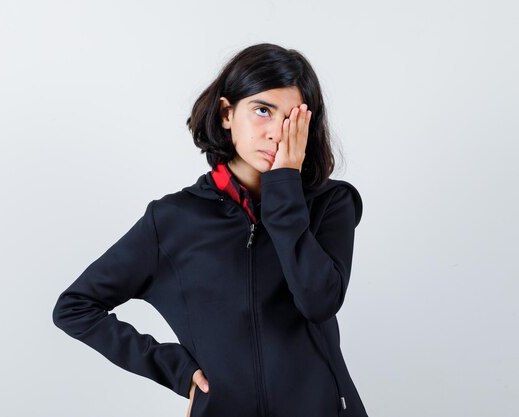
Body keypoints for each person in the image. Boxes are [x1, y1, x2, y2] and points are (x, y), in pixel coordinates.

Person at [52, 42, 368, 417]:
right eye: (262, 110)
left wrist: (284, 188)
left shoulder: (330, 204)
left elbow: (318, 302)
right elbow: (74, 307)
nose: (276, 134)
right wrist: (175, 369)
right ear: (226, 114)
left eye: (291, 120)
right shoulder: (172, 220)